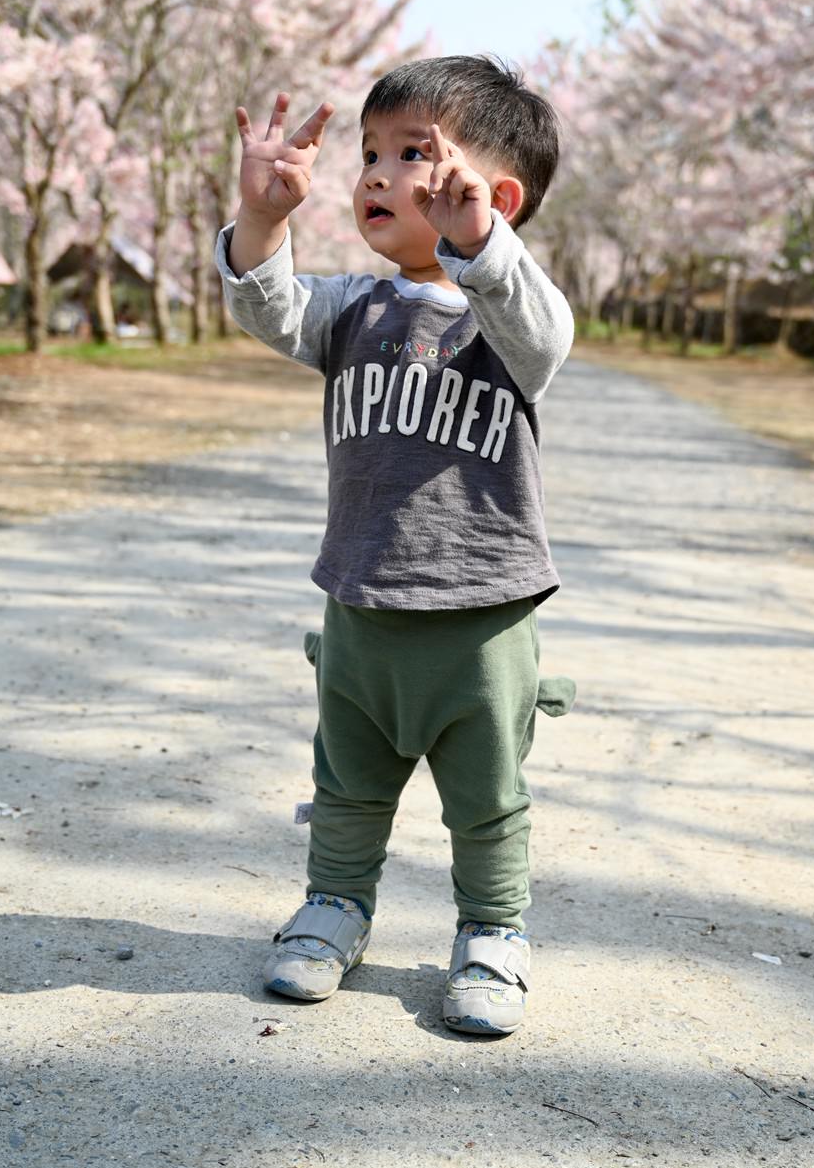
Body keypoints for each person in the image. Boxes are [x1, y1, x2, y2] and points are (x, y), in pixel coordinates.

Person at [215, 55, 575, 1036]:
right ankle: (334, 905)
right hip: (362, 604)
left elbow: (543, 332)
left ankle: (494, 932)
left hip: (482, 616)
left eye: (411, 154)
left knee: (488, 798)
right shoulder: (352, 308)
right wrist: (263, 222)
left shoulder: (512, 322)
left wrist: (482, 246)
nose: (373, 173)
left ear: (494, 196)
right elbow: (266, 307)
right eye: (370, 153)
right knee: (348, 780)